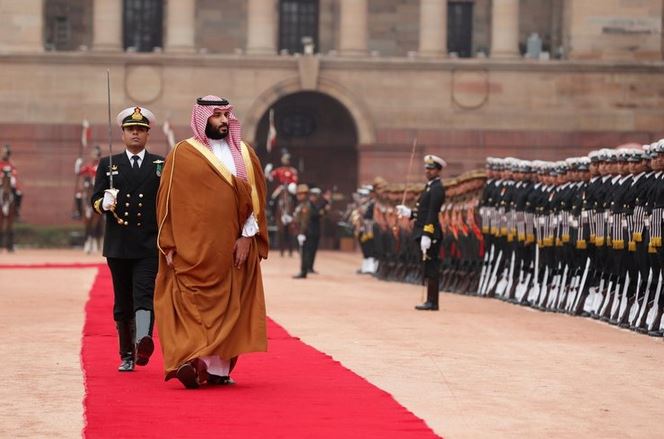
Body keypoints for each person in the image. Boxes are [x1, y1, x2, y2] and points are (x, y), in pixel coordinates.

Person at [154, 96, 268, 389]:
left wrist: (246, 237)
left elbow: (255, 200)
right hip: (193, 249)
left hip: (232, 250)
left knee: (231, 308)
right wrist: (168, 243)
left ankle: (217, 370)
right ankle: (191, 362)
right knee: (189, 304)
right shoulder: (182, 153)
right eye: (216, 115)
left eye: (226, 114)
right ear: (202, 118)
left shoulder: (244, 153)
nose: (222, 120)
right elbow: (167, 202)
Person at [91, 106, 164, 372]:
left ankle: (143, 338)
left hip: (147, 242)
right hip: (118, 243)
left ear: (147, 134)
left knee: (144, 294)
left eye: (141, 130)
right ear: (123, 133)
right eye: (131, 129)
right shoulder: (108, 165)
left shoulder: (160, 164)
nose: (136, 133)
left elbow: (166, 201)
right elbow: (94, 201)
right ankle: (127, 353)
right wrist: (104, 202)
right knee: (123, 300)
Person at [397, 155, 447, 310]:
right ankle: (430, 299)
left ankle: (433, 301)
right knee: (426, 265)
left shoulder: (437, 188)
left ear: (438, 171)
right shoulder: (430, 186)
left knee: (431, 266)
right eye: (427, 168)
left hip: (429, 233)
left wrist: (427, 233)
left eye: (431, 169)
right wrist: (410, 213)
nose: (428, 171)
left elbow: (432, 213)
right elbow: (423, 211)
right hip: (423, 230)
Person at [0, 145, 22, 220]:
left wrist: (12, 178)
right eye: (4, 153)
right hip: (1, 182)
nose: (5, 155)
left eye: (7, 153)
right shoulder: (0, 164)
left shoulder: (11, 164)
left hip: (9, 182)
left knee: (19, 193)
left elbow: (14, 173)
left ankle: (16, 210)